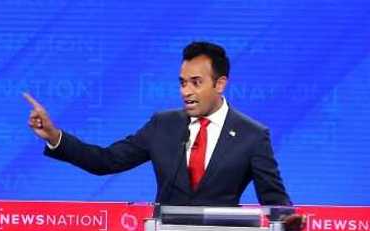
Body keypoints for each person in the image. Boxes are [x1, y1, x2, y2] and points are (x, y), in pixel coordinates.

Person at [24, 41, 291, 207]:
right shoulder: (163, 125)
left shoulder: (252, 135)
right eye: (182, 83)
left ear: (220, 84)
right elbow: (105, 161)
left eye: (196, 83)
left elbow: (275, 201)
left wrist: (289, 222)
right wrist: (54, 134)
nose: (186, 91)